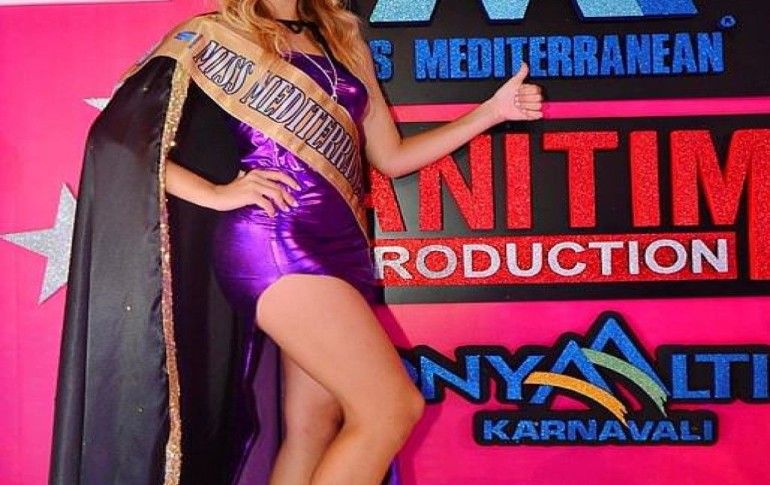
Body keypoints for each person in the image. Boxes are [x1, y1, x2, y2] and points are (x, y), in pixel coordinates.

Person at [48, 2, 543, 485]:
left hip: (344, 250)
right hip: (275, 243)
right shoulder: (213, 34)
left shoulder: (342, 39)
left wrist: (491, 113)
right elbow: (121, 142)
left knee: (313, 428)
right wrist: (216, 194)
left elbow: (390, 157)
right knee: (391, 408)